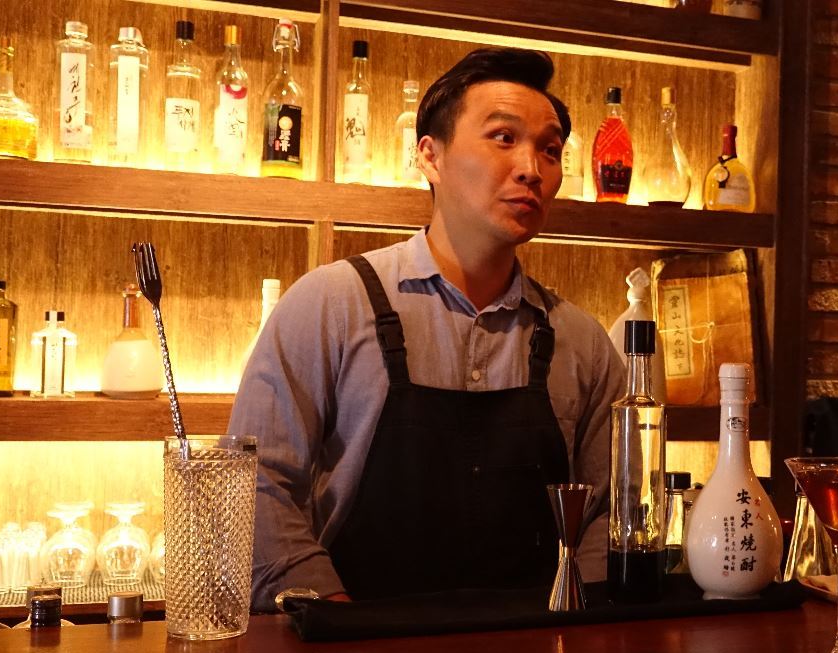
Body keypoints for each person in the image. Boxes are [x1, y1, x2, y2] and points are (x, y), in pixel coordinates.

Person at [229, 48, 625, 611]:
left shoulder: (580, 340)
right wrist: (334, 618)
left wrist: (579, 625)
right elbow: (254, 483)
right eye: (503, 138)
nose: (531, 169)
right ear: (430, 156)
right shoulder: (333, 304)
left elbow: (608, 512)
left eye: (551, 149)